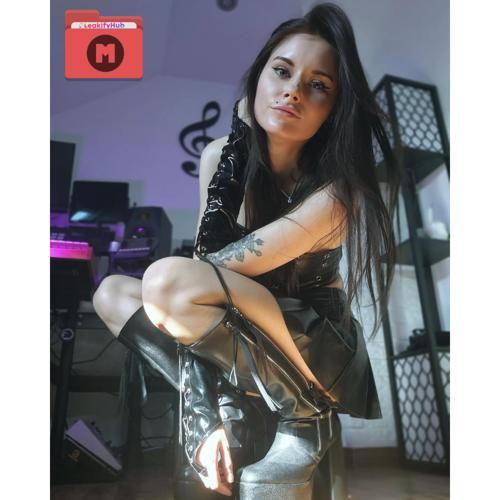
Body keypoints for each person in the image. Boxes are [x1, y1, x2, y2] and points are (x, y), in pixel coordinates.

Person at [92, 2, 399, 498]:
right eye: (281, 71)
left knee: (169, 282)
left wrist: (205, 404)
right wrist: (203, 415)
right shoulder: (220, 156)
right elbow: (205, 276)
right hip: (237, 327)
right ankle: (234, 408)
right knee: (112, 293)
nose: (293, 91)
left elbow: (206, 276)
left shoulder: (338, 192)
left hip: (309, 348)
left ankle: (305, 416)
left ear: (333, 110)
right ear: (258, 78)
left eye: (318, 86)